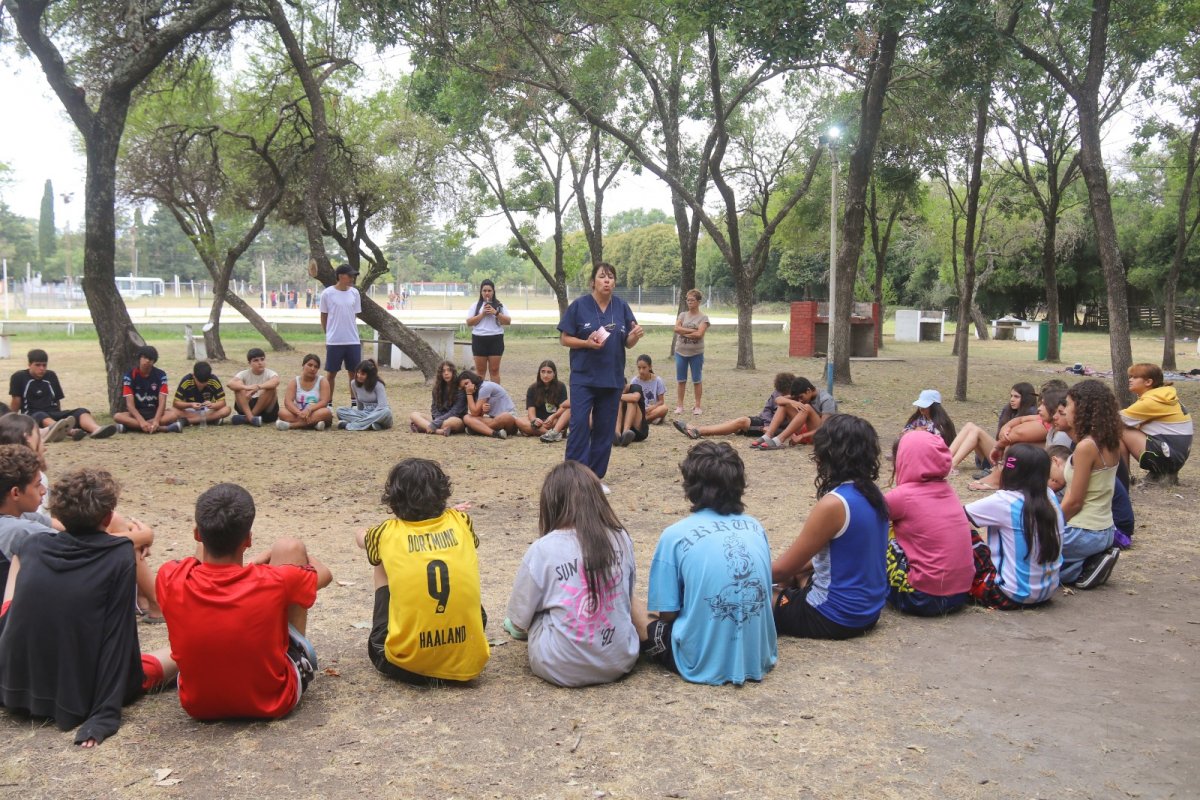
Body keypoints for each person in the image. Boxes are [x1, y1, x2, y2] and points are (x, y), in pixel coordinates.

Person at [0, 467, 178, 746]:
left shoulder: (32, 545)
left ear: (59, 515)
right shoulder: (118, 556)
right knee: (180, 652)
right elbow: (117, 636)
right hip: (80, 694)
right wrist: (104, 714)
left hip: (13, 686)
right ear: (108, 517)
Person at [156, 483, 331, 720]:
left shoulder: (169, 576)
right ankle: (292, 653)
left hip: (199, 705)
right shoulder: (275, 581)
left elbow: (198, 559)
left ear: (197, 534)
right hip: (275, 700)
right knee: (290, 547)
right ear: (248, 540)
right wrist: (281, 561)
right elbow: (325, 574)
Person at [635, 441, 776, 684]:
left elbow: (668, 616)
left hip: (698, 662)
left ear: (690, 485)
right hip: (757, 658)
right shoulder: (755, 527)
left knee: (631, 604)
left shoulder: (675, 536)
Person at [503, 461, 638, 687]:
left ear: (551, 504)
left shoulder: (542, 549)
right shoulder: (621, 537)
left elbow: (518, 620)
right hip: (620, 660)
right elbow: (628, 595)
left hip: (560, 666)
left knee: (536, 606)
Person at [356, 458, 489, 684]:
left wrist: (362, 531)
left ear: (393, 499)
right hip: (467, 661)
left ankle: (397, 637)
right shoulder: (462, 521)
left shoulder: (385, 533)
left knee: (380, 560)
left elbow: (361, 538)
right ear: (443, 493)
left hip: (405, 665)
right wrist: (449, 514)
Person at [771, 415, 889, 638]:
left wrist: (733, 576)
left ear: (829, 455)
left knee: (747, 595)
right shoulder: (873, 495)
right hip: (868, 612)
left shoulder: (834, 504)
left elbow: (781, 570)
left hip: (832, 617)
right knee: (797, 574)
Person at [558, 262, 644, 486]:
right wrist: (586, 343)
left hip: (612, 379)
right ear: (592, 282)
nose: (607, 280)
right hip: (584, 378)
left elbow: (628, 342)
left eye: (611, 277)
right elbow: (564, 339)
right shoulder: (579, 306)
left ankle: (594, 479)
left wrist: (635, 335)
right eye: (602, 276)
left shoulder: (621, 307)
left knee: (604, 430)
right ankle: (573, 479)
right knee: (579, 425)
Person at [884, 431, 975, 616]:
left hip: (921, 598)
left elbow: (866, 517)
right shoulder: (948, 491)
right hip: (960, 595)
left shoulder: (903, 496)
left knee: (878, 532)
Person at [963, 444, 1063, 609]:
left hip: (1007, 594)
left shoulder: (1004, 501)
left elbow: (955, 517)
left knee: (962, 528)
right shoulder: (1050, 496)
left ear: (1009, 472)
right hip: (1047, 591)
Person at [1055, 380, 1121, 588]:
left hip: (1083, 532)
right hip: (1105, 530)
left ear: (1082, 408)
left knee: (1026, 553)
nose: (1064, 410)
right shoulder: (1110, 441)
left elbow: (1075, 501)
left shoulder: (1086, 447)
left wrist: (1049, 526)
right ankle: (1089, 562)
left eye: (1068, 404)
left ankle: (1080, 569)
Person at [8, 348, 117, 441]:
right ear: (29, 365)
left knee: (81, 411)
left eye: (44, 365)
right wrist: (10, 421)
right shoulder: (19, 377)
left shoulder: (51, 376)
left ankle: (96, 429)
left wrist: (60, 416)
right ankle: (71, 432)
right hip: (33, 415)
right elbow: (16, 401)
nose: (42, 368)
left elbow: (57, 400)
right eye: (38, 365)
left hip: (53, 413)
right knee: (40, 415)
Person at [1119, 363, 1192, 486]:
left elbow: (1114, 419)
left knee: (1118, 430)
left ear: (1148, 382)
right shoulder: (1162, 396)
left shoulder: (1152, 401)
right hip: (1173, 456)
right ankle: (1124, 476)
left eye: (1135, 377)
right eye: (1130, 377)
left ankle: (1122, 477)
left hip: (1167, 458)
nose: (1130, 380)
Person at [672, 372, 795, 440]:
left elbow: (793, 424)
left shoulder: (797, 399)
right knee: (733, 423)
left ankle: (697, 431)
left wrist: (770, 428)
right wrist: (767, 423)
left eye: (784, 393)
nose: (781, 395)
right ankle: (695, 428)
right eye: (780, 392)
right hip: (765, 423)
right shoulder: (778, 392)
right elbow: (767, 409)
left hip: (773, 429)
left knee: (741, 422)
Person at [0, 445, 55, 593]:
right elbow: (80, 546)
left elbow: (60, 525)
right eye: (37, 485)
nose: (44, 490)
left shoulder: (17, 514)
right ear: (16, 493)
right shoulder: (20, 530)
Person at [949, 383, 1038, 471]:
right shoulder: (1009, 410)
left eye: (1016, 397)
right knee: (969, 425)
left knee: (976, 431)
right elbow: (999, 437)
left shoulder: (1032, 414)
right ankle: (945, 459)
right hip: (995, 453)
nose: (1012, 399)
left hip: (1009, 458)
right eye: (1011, 396)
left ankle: (951, 465)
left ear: (1026, 398)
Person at [751, 376, 837, 450]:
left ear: (808, 390)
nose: (800, 400)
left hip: (819, 436)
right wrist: (792, 402)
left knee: (807, 407)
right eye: (798, 398)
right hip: (804, 430)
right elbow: (778, 400)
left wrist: (802, 436)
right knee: (784, 404)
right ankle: (768, 435)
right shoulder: (802, 394)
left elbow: (825, 429)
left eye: (801, 397)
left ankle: (779, 440)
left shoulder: (826, 399)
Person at [319, 263, 363, 405]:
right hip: (334, 341)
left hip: (353, 340)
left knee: (354, 373)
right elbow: (324, 316)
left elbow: (354, 314)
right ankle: (328, 403)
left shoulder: (355, 293)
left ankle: (355, 403)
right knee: (331, 373)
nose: (352, 279)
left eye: (353, 276)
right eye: (350, 276)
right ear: (340, 276)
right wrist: (328, 334)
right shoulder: (327, 293)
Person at [114, 346, 184, 434]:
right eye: (144, 357)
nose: (147, 361)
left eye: (150, 359)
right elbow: (130, 405)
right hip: (137, 413)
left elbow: (162, 402)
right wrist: (141, 421)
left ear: (154, 361)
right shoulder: (129, 376)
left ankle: (130, 427)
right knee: (118, 416)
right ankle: (164, 428)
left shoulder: (161, 375)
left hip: (154, 412)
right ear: (139, 358)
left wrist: (156, 420)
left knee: (173, 415)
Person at [466, 279, 510, 384]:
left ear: (493, 292)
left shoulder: (500, 305)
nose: (487, 293)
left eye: (489, 291)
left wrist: (496, 313)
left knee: (494, 370)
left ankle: (495, 393)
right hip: (479, 339)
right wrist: (482, 314)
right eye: (484, 290)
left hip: (496, 338)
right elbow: (469, 322)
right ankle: (480, 392)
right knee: (480, 371)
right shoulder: (475, 306)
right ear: (481, 292)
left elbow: (508, 321)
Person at [673, 289, 709, 415]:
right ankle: (680, 406)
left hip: (696, 353)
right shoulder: (682, 315)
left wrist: (683, 331)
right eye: (688, 300)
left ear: (698, 301)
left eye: (692, 300)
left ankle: (697, 406)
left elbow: (699, 334)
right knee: (681, 380)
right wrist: (692, 331)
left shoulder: (703, 318)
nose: (689, 302)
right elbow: (676, 328)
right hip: (680, 352)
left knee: (697, 380)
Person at [276, 354, 334, 431]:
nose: (312, 368)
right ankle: (314, 424)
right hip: (299, 413)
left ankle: (291, 425)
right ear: (303, 365)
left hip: (315, 413)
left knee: (326, 412)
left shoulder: (322, 381)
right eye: (310, 365)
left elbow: (324, 402)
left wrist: (309, 410)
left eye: (316, 367)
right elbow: (288, 402)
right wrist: (299, 413)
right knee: (281, 412)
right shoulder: (294, 382)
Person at [409, 360, 466, 436]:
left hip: (455, 419)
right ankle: (439, 431)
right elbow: (434, 408)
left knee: (452, 422)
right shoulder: (437, 388)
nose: (446, 373)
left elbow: (454, 412)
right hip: (438, 419)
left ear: (453, 372)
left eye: (449, 370)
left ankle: (423, 427)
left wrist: (435, 423)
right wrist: (437, 420)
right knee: (414, 415)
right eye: (443, 371)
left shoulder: (460, 389)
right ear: (440, 374)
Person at [517, 360, 569, 440]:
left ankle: (533, 431)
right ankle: (550, 433)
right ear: (539, 373)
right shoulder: (532, 388)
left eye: (549, 372)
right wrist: (534, 420)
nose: (545, 375)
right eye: (543, 372)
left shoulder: (561, 386)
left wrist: (553, 416)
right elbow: (531, 411)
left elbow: (563, 407)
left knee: (564, 418)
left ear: (554, 374)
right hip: (539, 421)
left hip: (554, 419)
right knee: (519, 421)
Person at [227, 347, 280, 426]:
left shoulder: (271, 373)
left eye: (262, 359)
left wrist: (258, 387)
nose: (260, 363)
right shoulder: (243, 373)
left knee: (271, 388)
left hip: (266, 411)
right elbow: (230, 384)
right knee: (238, 385)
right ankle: (252, 418)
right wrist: (247, 388)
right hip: (247, 406)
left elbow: (276, 382)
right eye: (256, 360)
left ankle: (248, 418)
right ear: (249, 363)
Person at [459, 370, 518, 439]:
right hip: (493, 420)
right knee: (466, 417)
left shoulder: (485, 387)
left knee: (505, 416)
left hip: (509, 420)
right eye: (464, 387)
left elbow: (474, 412)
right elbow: (477, 415)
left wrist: (469, 394)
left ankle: (477, 430)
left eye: (466, 383)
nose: (467, 387)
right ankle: (495, 433)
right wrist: (483, 411)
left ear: (472, 380)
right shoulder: (475, 392)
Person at [336, 359, 393, 431]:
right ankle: (372, 425)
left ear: (369, 375)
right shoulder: (353, 383)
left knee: (386, 411)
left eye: (363, 374)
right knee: (340, 410)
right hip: (365, 413)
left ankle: (350, 426)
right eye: (358, 373)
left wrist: (371, 416)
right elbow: (359, 405)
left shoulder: (378, 384)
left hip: (380, 414)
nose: (359, 376)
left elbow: (382, 406)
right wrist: (362, 414)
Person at [173, 361, 233, 427]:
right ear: (193, 375)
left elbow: (223, 403)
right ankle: (211, 419)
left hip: (208, 411)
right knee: (172, 411)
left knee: (227, 409)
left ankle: (187, 421)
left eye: (205, 382)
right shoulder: (187, 381)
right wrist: (191, 404)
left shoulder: (213, 380)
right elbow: (176, 403)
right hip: (190, 411)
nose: (201, 385)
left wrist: (212, 405)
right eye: (199, 382)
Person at [631, 354, 668, 425]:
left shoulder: (658, 380)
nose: (641, 371)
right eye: (639, 368)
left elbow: (661, 401)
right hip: (639, 410)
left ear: (650, 367)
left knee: (664, 408)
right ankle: (652, 418)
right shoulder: (634, 381)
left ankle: (643, 420)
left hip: (652, 409)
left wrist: (652, 407)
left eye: (644, 368)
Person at [613, 378, 647, 448]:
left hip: (637, 428)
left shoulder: (635, 387)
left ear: (626, 386)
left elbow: (635, 397)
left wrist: (616, 396)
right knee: (618, 402)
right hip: (620, 426)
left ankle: (626, 432)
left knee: (631, 400)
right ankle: (617, 433)